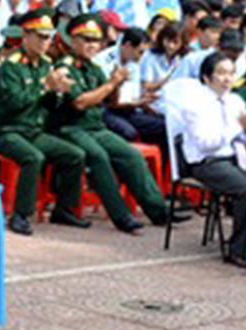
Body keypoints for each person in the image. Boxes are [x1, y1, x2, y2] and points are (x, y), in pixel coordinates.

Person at [49, 14, 178, 232]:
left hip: (94, 127)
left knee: (131, 155)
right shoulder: (65, 67)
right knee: (98, 157)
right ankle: (121, 216)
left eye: (95, 41)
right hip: (69, 128)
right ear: (73, 40)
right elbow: (80, 102)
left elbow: (112, 102)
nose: (92, 45)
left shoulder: (93, 68)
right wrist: (111, 84)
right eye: (86, 40)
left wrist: (116, 84)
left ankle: (159, 211)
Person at [0, 9, 89, 236]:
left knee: (75, 155)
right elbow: (14, 103)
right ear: (26, 37)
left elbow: (50, 105)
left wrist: (59, 92)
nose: (46, 42)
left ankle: (64, 209)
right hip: (7, 130)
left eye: (48, 37)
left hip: (33, 130)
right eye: (40, 37)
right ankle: (20, 215)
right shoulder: (11, 65)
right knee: (33, 158)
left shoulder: (46, 64)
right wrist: (44, 87)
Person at [169, 52, 246, 266]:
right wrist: (237, 127)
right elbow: (206, 143)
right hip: (206, 162)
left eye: (231, 73)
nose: (227, 79)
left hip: (236, 157)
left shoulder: (235, 101)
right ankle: (237, 250)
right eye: (221, 73)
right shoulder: (195, 104)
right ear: (206, 77)